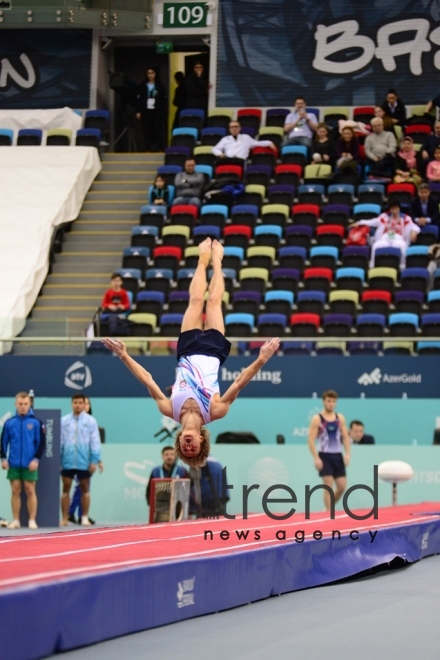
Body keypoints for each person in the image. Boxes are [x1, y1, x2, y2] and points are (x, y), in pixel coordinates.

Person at [102, 238, 280, 468]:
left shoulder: (170, 409)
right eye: (193, 447)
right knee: (214, 301)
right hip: (214, 351)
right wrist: (261, 359)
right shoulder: (215, 411)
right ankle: (217, 262)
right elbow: (238, 383)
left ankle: (202, 260)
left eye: (184, 448)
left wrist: (125, 356)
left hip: (187, 350)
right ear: (201, 439)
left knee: (196, 300)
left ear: (178, 440)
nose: (188, 445)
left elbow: (146, 379)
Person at [1, 391, 46, 529]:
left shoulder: (36, 423)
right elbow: (3, 442)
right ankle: (16, 520)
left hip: (30, 463)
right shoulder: (9, 423)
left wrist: (36, 459)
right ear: (16, 404)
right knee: (15, 490)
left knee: (30, 490)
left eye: (25, 404)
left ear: (29, 404)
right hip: (13, 462)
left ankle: (32, 520)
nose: (23, 406)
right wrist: (3, 458)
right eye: (20, 404)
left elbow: (41, 443)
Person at [60, 394, 102, 526]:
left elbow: (95, 441)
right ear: (71, 404)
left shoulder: (90, 421)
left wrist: (94, 460)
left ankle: (84, 517)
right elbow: (60, 441)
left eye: (80, 403)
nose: (77, 405)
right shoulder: (64, 421)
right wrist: (59, 460)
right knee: (66, 489)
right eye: (75, 402)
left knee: (85, 489)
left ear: (84, 404)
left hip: (84, 461)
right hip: (67, 460)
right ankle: (65, 518)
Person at [307, 390, 350, 512]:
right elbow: (311, 440)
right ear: (324, 401)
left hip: (337, 455)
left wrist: (347, 454)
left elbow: (345, 437)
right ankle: (329, 513)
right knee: (328, 485)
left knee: (342, 487)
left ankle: (328, 509)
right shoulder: (318, 419)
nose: (331, 404)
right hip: (324, 455)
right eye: (329, 401)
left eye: (333, 401)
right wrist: (316, 458)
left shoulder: (340, 418)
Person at [355, 201, 420, 268]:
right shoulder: (384, 216)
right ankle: (372, 265)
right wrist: (359, 222)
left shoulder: (406, 218)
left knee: (403, 247)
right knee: (375, 246)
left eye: (396, 208)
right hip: (385, 238)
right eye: (392, 209)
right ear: (390, 209)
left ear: (399, 209)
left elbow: (415, 226)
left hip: (398, 238)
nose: (394, 210)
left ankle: (402, 265)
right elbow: (373, 221)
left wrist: (414, 231)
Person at [212, 120, 276, 168]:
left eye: (236, 127)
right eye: (232, 127)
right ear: (229, 129)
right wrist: (220, 154)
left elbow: (257, 143)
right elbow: (215, 149)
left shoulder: (246, 137)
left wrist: (269, 142)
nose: (234, 129)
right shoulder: (225, 139)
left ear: (240, 128)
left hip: (240, 161)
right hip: (228, 160)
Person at [135, 67, 167, 151]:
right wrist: (138, 111)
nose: (151, 75)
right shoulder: (143, 85)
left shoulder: (159, 85)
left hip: (156, 111)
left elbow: (164, 99)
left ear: (155, 74)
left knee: (157, 129)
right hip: (145, 111)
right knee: (146, 130)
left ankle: (159, 148)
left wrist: (160, 108)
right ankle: (147, 148)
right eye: (149, 73)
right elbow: (139, 99)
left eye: (152, 73)